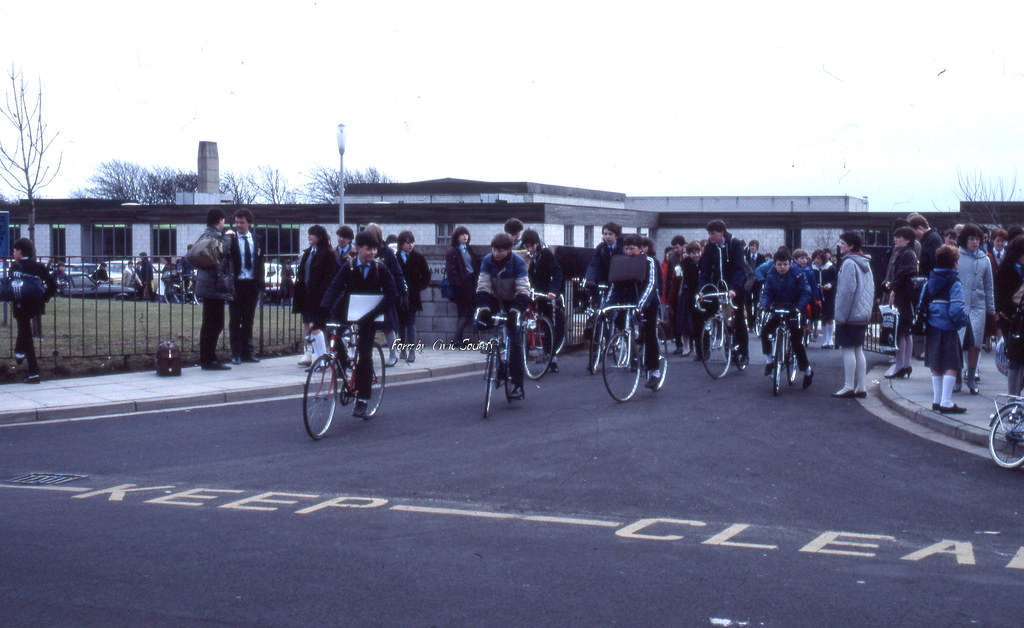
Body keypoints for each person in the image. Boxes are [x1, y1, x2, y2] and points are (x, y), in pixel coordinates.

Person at [320, 230, 398, 418]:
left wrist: (374, 313)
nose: (372, 253)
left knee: (364, 354)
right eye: (368, 249)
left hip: (370, 316)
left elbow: (392, 293)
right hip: (348, 311)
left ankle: (362, 399)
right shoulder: (349, 267)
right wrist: (324, 308)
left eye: (374, 249)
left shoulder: (380, 269)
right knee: (333, 336)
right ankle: (344, 361)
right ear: (359, 249)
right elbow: (334, 287)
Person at [475, 232, 531, 400]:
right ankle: (499, 366)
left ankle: (518, 385)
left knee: (514, 341)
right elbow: (483, 285)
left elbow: (523, 289)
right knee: (485, 323)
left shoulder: (518, 263)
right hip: (495, 299)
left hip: (513, 301)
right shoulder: (487, 260)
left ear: (509, 250)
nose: (496, 253)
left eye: (500, 250)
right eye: (494, 249)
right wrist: (484, 306)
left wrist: (515, 310)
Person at [607, 233, 662, 390]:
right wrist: (608, 305)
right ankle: (633, 355)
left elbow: (651, 285)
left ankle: (655, 371)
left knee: (649, 333)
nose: (628, 252)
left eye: (632, 249)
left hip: (648, 302)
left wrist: (641, 304)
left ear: (641, 249)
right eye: (626, 248)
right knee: (622, 323)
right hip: (629, 300)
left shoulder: (649, 262)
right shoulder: (622, 261)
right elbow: (615, 285)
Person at [920, 245, 970, 413]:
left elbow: (922, 303)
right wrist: (962, 322)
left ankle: (937, 400)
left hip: (932, 328)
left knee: (936, 364)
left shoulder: (930, 282)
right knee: (952, 364)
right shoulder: (954, 282)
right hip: (948, 328)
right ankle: (946, 401)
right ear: (954, 263)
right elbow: (956, 310)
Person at [698, 219, 750, 367]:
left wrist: (734, 288)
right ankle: (719, 345)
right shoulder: (710, 247)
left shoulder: (735, 243)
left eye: (712, 233)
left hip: (736, 286)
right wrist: (702, 290)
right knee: (715, 313)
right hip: (718, 286)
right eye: (708, 233)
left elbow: (740, 269)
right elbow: (706, 269)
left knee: (738, 319)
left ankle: (744, 353)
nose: (710, 236)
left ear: (722, 232)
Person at [759, 247, 814, 388]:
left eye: (785, 264)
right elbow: (767, 293)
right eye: (779, 264)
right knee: (765, 332)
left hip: (794, 311)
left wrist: (798, 307)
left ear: (790, 264)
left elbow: (805, 292)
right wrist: (765, 305)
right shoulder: (771, 275)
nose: (782, 267)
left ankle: (807, 371)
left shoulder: (798, 274)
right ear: (774, 264)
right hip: (778, 309)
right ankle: (769, 361)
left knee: (796, 343)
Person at [832, 231, 874, 398]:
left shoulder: (849, 263)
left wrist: (840, 316)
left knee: (848, 349)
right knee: (858, 349)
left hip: (849, 314)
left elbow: (846, 292)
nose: (840, 246)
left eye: (843, 243)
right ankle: (861, 386)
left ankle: (849, 385)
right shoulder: (865, 262)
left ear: (851, 246)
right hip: (861, 313)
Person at [10, 238, 58, 383]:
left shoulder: (16, 267)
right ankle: (18, 354)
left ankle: (33, 372)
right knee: (24, 329)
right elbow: (52, 285)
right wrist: (44, 298)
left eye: (14, 250)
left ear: (20, 251)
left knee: (26, 334)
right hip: (35, 305)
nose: (13, 253)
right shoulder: (39, 267)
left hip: (20, 304)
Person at [194, 208, 236, 370]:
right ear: (220, 220)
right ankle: (209, 359)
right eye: (223, 220)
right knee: (215, 324)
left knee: (208, 323)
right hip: (214, 286)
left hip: (206, 284)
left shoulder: (203, 235)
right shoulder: (215, 236)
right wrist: (228, 237)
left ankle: (207, 358)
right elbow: (222, 251)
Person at [293, 225, 340, 367]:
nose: (309, 237)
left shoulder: (328, 254)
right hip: (307, 294)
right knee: (307, 323)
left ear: (319, 237)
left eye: (312, 234)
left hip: (320, 296)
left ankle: (323, 353)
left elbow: (329, 277)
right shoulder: (308, 253)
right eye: (308, 234)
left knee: (319, 325)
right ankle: (307, 353)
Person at [957, 224, 994, 395]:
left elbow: (989, 286)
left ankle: (971, 377)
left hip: (978, 306)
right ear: (965, 240)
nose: (975, 242)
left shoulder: (985, 259)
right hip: (959, 305)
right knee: (958, 343)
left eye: (978, 239)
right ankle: (957, 376)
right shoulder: (956, 256)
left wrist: (991, 309)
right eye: (971, 238)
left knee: (975, 344)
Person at [521, 228, 565, 372]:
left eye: (530, 246)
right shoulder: (535, 256)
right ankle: (525, 351)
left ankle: (551, 357)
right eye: (526, 246)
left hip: (546, 294)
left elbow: (557, 272)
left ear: (536, 243)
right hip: (535, 293)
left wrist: (553, 291)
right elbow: (530, 276)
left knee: (548, 325)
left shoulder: (546, 254)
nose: (528, 249)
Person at [365, 223, 408, 366]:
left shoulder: (386, 252)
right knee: (366, 325)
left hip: (384, 296)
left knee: (388, 326)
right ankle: (366, 354)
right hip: (368, 294)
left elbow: (397, 273)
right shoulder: (364, 251)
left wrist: (402, 291)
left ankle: (393, 353)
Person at [228, 208, 265, 364]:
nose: (238, 225)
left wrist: (260, 283)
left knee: (248, 320)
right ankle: (235, 353)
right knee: (235, 319)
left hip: (251, 284)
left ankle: (247, 352)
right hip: (237, 284)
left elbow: (260, 261)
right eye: (236, 222)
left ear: (249, 223)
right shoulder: (231, 239)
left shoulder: (257, 239)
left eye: (241, 222)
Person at [882, 226, 918, 378]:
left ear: (908, 239)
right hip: (905, 296)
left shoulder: (907, 254)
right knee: (905, 331)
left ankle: (900, 365)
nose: (895, 239)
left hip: (903, 296)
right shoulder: (904, 253)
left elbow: (904, 274)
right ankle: (905, 364)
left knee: (901, 331)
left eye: (899, 237)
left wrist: (894, 290)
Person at [395, 230, 431, 363]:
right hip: (399, 295)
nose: (410, 245)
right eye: (407, 243)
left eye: (412, 242)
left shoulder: (418, 257)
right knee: (401, 324)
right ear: (401, 244)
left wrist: (418, 287)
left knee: (410, 322)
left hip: (413, 295)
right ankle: (402, 349)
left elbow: (426, 275)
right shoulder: (396, 257)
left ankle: (411, 351)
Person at [995, 236, 1024, 395]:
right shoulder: (1005, 270)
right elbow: (1001, 300)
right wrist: (1014, 313)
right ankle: (1013, 398)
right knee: (1015, 360)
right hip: (1012, 321)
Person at [444, 226, 478, 344]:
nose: (465, 237)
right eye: (462, 235)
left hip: (470, 283)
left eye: (466, 235)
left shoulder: (468, 249)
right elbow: (451, 270)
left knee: (466, 312)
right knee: (465, 313)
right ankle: (457, 338)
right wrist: (459, 285)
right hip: (461, 286)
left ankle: (458, 338)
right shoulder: (453, 251)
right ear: (456, 237)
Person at [668, 241, 701, 358]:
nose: (696, 255)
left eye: (698, 252)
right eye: (693, 253)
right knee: (685, 323)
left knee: (697, 324)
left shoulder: (703, 263)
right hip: (687, 295)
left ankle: (698, 349)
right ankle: (686, 347)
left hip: (699, 295)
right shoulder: (684, 265)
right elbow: (681, 282)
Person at [584, 222, 624, 295]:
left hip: (619, 283)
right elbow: (594, 264)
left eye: (610, 234)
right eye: (605, 234)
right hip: (604, 281)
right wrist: (590, 279)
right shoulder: (600, 248)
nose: (607, 236)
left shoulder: (623, 248)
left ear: (616, 236)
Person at [812, 250, 838, 348]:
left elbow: (836, 280)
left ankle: (830, 339)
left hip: (829, 294)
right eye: (815, 258)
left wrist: (830, 284)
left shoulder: (831, 268)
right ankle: (825, 340)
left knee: (829, 317)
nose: (816, 260)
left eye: (818, 258)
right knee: (822, 317)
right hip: (818, 295)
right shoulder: (812, 268)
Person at [910, 215, 942, 279]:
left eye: (914, 232)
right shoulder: (928, 238)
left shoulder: (933, 239)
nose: (915, 236)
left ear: (920, 228)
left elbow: (935, 263)